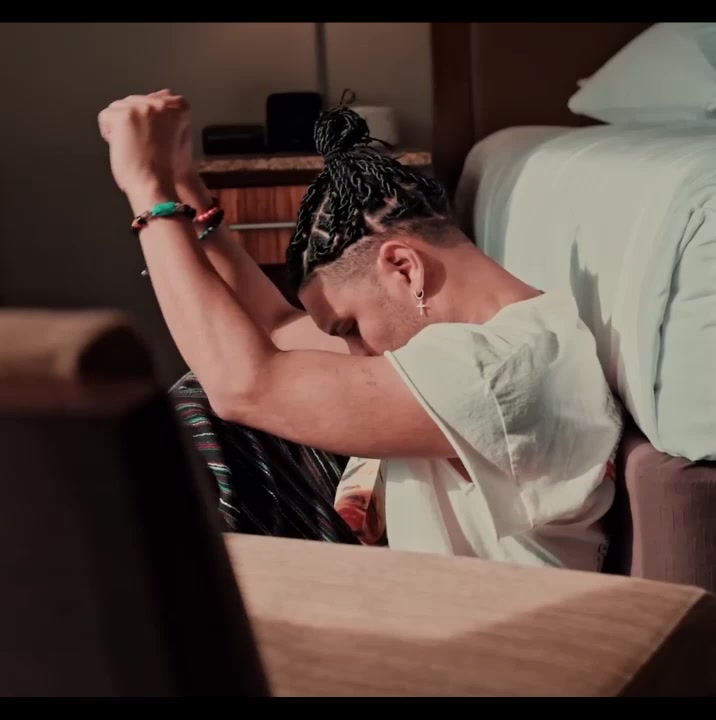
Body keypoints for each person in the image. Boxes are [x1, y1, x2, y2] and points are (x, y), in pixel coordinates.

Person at [97, 90, 622, 570]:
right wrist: (185, 184)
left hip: (472, 631)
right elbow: (276, 327)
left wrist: (148, 191)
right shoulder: (512, 338)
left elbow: (243, 386)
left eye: (350, 327)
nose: (352, 351)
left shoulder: (496, 373)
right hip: (422, 598)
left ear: (404, 267)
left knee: (207, 419)